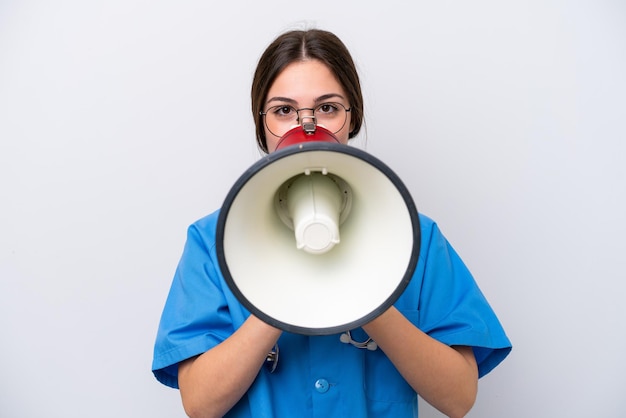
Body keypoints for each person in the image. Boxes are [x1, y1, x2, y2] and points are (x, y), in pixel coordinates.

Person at [152, 28, 511, 418]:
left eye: (327, 108)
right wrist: (278, 299)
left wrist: (367, 296)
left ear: (351, 117)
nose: (307, 128)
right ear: (262, 124)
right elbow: (200, 404)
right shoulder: (211, 241)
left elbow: (459, 397)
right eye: (283, 110)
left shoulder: (416, 239)